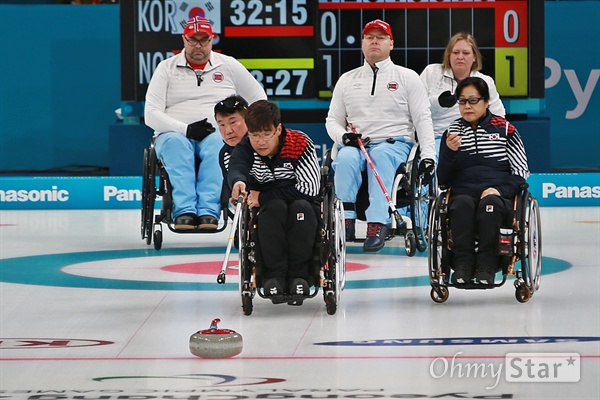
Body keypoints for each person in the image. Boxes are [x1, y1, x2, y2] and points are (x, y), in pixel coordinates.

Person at [144, 16, 266, 231]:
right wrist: (186, 129)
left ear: (212, 40)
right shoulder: (166, 68)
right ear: (184, 39)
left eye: (204, 40)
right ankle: (184, 211)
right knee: (175, 144)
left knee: (221, 143)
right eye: (193, 40)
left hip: (217, 132)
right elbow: (150, 114)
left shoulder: (228, 65)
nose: (198, 46)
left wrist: (246, 127)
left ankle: (208, 211)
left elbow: (258, 97)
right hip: (174, 133)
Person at [325, 19, 437, 252]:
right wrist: (344, 137)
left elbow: (423, 120)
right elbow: (332, 121)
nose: (374, 41)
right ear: (363, 43)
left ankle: (378, 223)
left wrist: (429, 156)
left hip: (394, 144)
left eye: (380, 37)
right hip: (356, 143)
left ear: (391, 44)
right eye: (369, 37)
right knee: (345, 158)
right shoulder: (347, 80)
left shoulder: (408, 77)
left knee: (382, 156)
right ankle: (345, 219)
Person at [436, 76, 529, 285]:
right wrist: (449, 153)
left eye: (473, 100)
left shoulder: (506, 130)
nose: (467, 106)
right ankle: (462, 265)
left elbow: (521, 171)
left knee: (490, 205)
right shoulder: (452, 132)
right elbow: (443, 179)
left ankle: (487, 265)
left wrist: (500, 190)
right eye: (462, 101)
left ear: (486, 102)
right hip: (463, 192)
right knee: (461, 205)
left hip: (497, 194)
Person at [228, 100, 321, 297]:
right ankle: (274, 276)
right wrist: (238, 183)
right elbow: (237, 167)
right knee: (274, 209)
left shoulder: (300, 143)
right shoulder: (245, 147)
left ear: (278, 129)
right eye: (254, 135)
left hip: (303, 201)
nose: (260, 142)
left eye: (266, 134)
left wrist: (263, 196)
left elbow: (310, 188)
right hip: (268, 206)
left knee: (300, 209)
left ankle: (300, 276)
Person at [420, 32, 506, 153]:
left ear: (474, 57)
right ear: (449, 55)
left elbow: (499, 116)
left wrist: (483, 137)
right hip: (436, 139)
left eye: (466, 53)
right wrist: (438, 102)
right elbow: (417, 108)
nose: (460, 57)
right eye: (455, 52)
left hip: (474, 138)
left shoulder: (485, 81)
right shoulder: (431, 72)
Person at [214, 95, 249, 203]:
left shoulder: (263, 146)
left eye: (233, 122)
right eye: (222, 125)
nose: (228, 130)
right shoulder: (224, 154)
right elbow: (230, 189)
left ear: (248, 119)